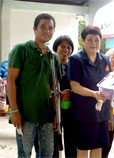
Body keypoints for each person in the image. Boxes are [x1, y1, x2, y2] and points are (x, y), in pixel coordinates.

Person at [7, 13, 59, 158]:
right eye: (43, 26)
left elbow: (54, 88)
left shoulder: (53, 57)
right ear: (34, 28)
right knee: (24, 154)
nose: (47, 31)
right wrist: (14, 111)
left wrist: (56, 114)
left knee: (47, 154)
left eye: (50, 28)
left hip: (47, 116)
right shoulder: (21, 49)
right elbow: (10, 81)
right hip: (25, 115)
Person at [68, 25, 111, 158]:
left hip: (101, 111)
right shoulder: (75, 59)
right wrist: (93, 93)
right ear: (83, 40)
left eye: (97, 40)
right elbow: (75, 86)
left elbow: (109, 82)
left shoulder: (105, 59)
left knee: (97, 146)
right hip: (83, 112)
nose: (94, 43)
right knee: (83, 146)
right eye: (90, 39)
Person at [52, 35, 77, 158]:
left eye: (69, 47)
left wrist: (71, 92)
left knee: (71, 142)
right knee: (53, 142)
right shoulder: (50, 65)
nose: (66, 50)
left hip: (70, 111)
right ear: (56, 48)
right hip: (53, 110)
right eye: (62, 46)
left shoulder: (73, 66)